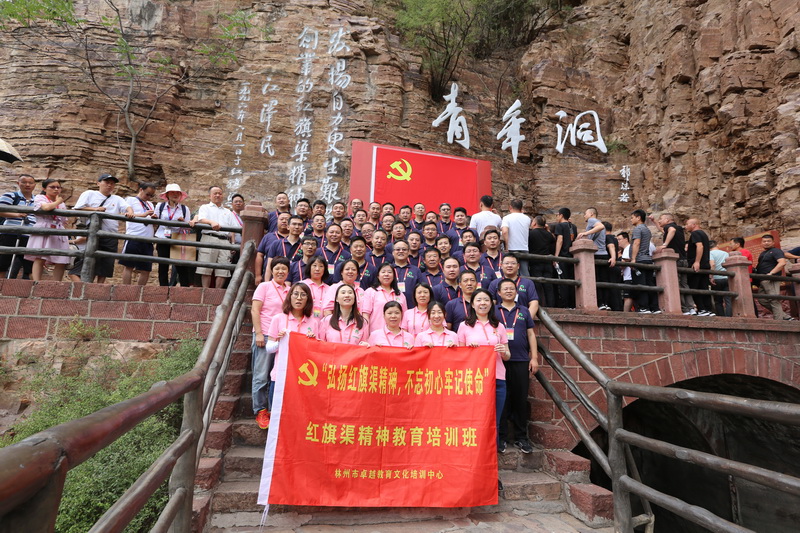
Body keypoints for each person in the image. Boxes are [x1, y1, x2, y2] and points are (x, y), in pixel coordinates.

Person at [457, 289, 510, 490]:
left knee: (492, 425)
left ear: (491, 303)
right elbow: (458, 356)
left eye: (486, 300)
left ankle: (491, 472)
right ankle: (470, 470)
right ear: (472, 304)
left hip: (497, 379)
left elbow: (507, 356)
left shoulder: (499, 326)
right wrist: (467, 349)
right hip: (474, 381)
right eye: (478, 300)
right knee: (473, 425)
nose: (482, 303)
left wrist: (503, 351)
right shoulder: (464, 326)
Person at [495, 278, 538, 454]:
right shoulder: (494, 311)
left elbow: (531, 334)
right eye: (505, 289)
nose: (508, 291)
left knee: (520, 399)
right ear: (498, 293)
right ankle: (502, 438)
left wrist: (534, 358)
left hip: (520, 360)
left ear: (516, 292)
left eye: (511, 289)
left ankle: (521, 438)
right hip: (499, 361)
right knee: (502, 400)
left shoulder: (524, 311)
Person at [250, 257, 291, 429]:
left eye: (284, 269)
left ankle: (276, 409)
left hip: (282, 337)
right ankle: (260, 410)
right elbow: (255, 310)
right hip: (266, 335)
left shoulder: (290, 290)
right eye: (277, 268)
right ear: (272, 270)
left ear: (288, 271)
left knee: (278, 375)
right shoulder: (264, 286)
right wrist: (259, 333)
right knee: (261, 375)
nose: (280, 271)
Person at [264, 282, 319, 410]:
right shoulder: (278, 318)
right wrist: (280, 341)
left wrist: (312, 341)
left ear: (308, 299)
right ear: (290, 297)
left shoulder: (313, 322)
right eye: (296, 294)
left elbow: (316, 351)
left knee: (299, 413)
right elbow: (269, 348)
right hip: (280, 375)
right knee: (278, 413)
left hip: (303, 377)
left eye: (303, 295)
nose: (299, 298)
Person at [73, 173, 128, 283]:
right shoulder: (89, 194)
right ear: (98, 183)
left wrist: (130, 212)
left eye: (112, 183)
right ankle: (86, 286)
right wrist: (95, 209)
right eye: (107, 182)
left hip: (111, 234)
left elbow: (127, 208)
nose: (109, 185)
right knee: (89, 261)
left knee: (106, 264)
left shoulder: (117, 198)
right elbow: (78, 208)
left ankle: (99, 288)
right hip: (93, 233)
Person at [190, 186, 237, 288]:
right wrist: (211, 222)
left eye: (220, 193)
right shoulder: (205, 207)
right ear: (209, 196)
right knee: (206, 267)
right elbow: (201, 219)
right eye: (215, 193)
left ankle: (217, 292)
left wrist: (233, 244)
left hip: (225, 240)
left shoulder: (228, 212)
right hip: (209, 237)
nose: (217, 195)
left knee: (223, 268)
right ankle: (205, 291)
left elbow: (233, 229)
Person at [25, 179, 70, 281]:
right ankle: (36, 282)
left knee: (61, 259)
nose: (56, 189)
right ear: (44, 189)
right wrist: (58, 201)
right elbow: (46, 208)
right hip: (43, 227)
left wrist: (59, 203)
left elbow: (64, 220)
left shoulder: (61, 204)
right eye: (52, 187)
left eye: (58, 187)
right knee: (40, 256)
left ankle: (57, 283)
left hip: (58, 229)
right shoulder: (40, 197)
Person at [153, 184, 192, 286]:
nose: (175, 194)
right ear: (167, 195)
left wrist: (183, 222)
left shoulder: (184, 209)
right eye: (172, 192)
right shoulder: (160, 206)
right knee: (163, 265)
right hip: (162, 237)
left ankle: (184, 289)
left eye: (177, 193)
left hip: (177, 238)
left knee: (181, 266)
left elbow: (188, 228)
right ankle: (163, 288)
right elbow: (155, 221)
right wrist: (154, 217)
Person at [655, 213, 694, 314]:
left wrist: (664, 245)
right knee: (684, 284)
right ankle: (691, 307)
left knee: (676, 284)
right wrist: (654, 221)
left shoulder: (670, 227)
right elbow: (665, 231)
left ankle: (684, 309)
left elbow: (671, 230)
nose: (659, 221)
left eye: (661, 218)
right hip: (683, 260)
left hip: (675, 261)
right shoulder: (679, 228)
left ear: (667, 220)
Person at [0, 174, 36, 279]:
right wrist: (17, 215)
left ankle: (32, 286)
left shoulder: (37, 200)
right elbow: (1, 210)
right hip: (10, 233)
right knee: (3, 263)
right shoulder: (10, 196)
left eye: (30, 183)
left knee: (30, 265)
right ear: (18, 183)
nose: (27, 185)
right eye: (24, 182)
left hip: (29, 235)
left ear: (34, 185)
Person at [120, 182, 157, 285]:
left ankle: (139, 291)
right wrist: (143, 215)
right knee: (129, 265)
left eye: (151, 195)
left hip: (148, 239)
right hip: (133, 237)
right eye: (147, 194)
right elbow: (125, 214)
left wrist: (154, 218)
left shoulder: (150, 204)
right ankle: (126, 290)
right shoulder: (130, 200)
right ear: (141, 190)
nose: (149, 197)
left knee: (146, 269)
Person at [577, 207, 613, 310]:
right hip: (604, 254)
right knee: (604, 280)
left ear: (591, 214)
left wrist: (585, 233)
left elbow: (600, 226)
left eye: (585, 213)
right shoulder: (596, 222)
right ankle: (605, 303)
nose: (584, 216)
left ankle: (600, 303)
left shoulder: (592, 220)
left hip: (596, 254)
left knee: (596, 279)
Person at [362, 262, 408, 333]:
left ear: (394, 276)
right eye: (383, 272)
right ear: (378, 276)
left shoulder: (400, 294)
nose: (386, 274)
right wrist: (366, 334)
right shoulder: (370, 292)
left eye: (389, 272)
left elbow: (405, 317)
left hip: (396, 335)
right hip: (376, 333)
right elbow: (365, 315)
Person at [630, 209, 660, 314]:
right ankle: (654, 307)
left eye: (632, 217)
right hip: (647, 260)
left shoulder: (638, 229)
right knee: (649, 284)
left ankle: (644, 307)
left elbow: (636, 243)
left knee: (640, 284)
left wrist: (633, 259)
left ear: (638, 218)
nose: (631, 220)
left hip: (640, 259)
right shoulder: (647, 229)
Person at [755, 234, 791, 320]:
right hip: (763, 280)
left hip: (771, 279)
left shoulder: (776, 251)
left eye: (768, 241)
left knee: (774, 299)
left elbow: (782, 262)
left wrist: (771, 273)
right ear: (761, 243)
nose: (766, 243)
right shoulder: (763, 253)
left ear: (773, 242)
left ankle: (779, 321)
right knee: (761, 299)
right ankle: (785, 316)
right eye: (764, 241)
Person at [685, 218, 714, 316]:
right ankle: (708, 309)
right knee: (704, 287)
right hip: (705, 265)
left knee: (694, 287)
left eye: (687, 224)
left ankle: (701, 309)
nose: (686, 226)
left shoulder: (695, 233)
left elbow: (699, 246)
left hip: (697, 265)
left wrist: (697, 261)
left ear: (694, 225)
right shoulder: (704, 234)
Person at [264, 215, 305, 281]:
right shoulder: (276, 243)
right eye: (294, 224)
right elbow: (269, 265)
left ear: (303, 228)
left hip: (297, 281)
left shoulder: (304, 245)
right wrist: (267, 283)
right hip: (278, 279)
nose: (297, 227)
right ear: (288, 227)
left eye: (299, 225)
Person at [527, 215, 556, 307]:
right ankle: (551, 306)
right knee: (548, 286)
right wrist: (547, 230)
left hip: (535, 262)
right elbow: (553, 240)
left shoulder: (531, 234)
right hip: (547, 263)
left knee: (537, 285)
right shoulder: (549, 235)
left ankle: (538, 306)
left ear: (535, 223)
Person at [552, 207, 577, 308]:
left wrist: (556, 256)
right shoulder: (573, 227)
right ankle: (573, 304)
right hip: (572, 257)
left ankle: (565, 305)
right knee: (572, 281)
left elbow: (560, 240)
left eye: (557, 215)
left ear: (561, 215)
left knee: (563, 281)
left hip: (563, 256)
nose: (557, 217)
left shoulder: (560, 226)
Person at [501, 199, 531, 277]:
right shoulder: (527, 219)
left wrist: (506, 246)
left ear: (510, 207)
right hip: (524, 248)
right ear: (521, 208)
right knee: (524, 271)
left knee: (510, 270)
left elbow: (505, 231)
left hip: (512, 248)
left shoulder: (506, 218)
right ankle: (525, 284)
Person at [390, 239, 422, 304]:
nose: (401, 251)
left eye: (404, 249)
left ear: (408, 252)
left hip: (411, 306)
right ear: (393, 252)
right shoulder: (388, 269)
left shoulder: (416, 270)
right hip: (391, 306)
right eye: (398, 249)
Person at [709, 240, 731, 317]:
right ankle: (729, 317)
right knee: (728, 300)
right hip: (727, 277)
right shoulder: (726, 253)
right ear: (717, 245)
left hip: (716, 278)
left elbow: (712, 264)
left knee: (718, 301)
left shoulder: (710, 253)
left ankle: (721, 317)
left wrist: (711, 276)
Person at [616, 232, 635, 312]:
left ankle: (625, 314)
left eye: (619, 239)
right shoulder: (626, 249)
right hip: (627, 276)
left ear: (626, 239)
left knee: (628, 297)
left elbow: (624, 263)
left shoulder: (628, 248)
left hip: (629, 276)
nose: (618, 242)